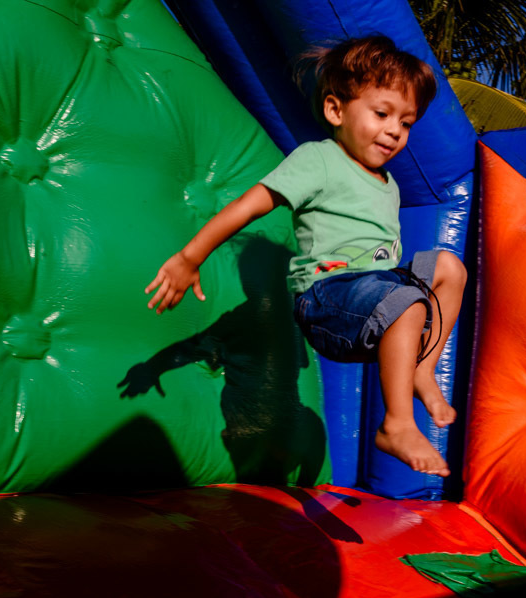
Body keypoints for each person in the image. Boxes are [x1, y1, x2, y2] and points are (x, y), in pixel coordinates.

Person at [145, 36, 464, 477]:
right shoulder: (319, 160)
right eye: (382, 114)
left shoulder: (388, 184)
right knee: (405, 303)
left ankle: (421, 372)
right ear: (336, 111)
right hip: (326, 298)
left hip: (376, 292)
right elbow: (249, 205)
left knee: (448, 267)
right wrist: (189, 257)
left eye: (406, 122)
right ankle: (396, 424)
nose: (395, 131)